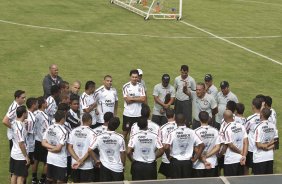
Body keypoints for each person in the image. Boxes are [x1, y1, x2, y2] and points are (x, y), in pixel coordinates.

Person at [164, 113, 204, 179]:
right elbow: (202, 145)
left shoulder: (172, 133)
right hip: (187, 162)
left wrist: (168, 156)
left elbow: (166, 147)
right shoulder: (192, 132)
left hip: (175, 162)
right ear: (185, 120)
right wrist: (195, 159)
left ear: (175, 121)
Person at [89, 117, 126, 181]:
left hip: (104, 167)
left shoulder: (99, 136)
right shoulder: (120, 137)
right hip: (117, 168)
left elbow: (90, 150)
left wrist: (96, 160)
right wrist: (123, 166)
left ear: (108, 123)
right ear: (117, 127)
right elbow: (122, 153)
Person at [68, 113, 96, 183]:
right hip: (87, 165)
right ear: (90, 121)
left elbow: (69, 147)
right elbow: (90, 149)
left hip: (75, 164)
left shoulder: (73, 131)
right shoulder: (92, 133)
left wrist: (77, 160)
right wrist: (81, 161)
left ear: (82, 120)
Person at [42, 110, 68, 183]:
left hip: (50, 159)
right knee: (60, 181)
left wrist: (50, 148)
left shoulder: (49, 128)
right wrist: (54, 148)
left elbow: (44, 143)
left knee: (50, 179)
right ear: (63, 119)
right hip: (60, 161)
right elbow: (58, 149)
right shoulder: (64, 131)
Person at [193, 111, 221, 177]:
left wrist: (203, 158)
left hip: (198, 165)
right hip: (212, 163)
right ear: (208, 118)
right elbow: (217, 147)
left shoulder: (195, 132)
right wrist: (207, 156)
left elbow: (195, 148)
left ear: (199, 119)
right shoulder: (215, 131)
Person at [222, 110, 248, 176]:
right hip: (241, 160)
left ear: (224, 117)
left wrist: (240, 152)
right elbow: (246, 142)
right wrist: (244, 155)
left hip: (230, 160)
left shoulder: (226, 128)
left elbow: (230, 145)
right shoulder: (241, 126)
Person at [253, 108, 278, 175]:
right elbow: (276, 142)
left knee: (259, 180)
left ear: (261, 114)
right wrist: (268, 147)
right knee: (268, 180)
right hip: (270, 157)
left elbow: (258, 145)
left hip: (259, 158)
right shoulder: (273, 126)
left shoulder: (258, 127)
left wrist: (266, 146)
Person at [122, 69, 146, 140]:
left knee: (136, 132)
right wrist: (138, 98)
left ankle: (133, 148)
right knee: (125, 132)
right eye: (133, 77)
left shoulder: (141, 86)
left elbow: (143, 99)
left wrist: (132, 98)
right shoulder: (125, 86)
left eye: (136, 77)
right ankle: (122, 147)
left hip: (138, 114)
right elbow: (127, 101)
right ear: (130, 77)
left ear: (138, 77)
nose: (134, 79)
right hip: (128, 114)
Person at [10, 106, 29, 184]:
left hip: (14, 153)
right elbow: (21, 143)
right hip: (20, 155)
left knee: (14, 175)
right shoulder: (20, 127)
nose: (28, 113)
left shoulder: (14, 122)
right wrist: (26, 156)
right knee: (20, 178)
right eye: (27, 112)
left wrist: (25, 125)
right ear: (23, 114)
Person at [33, 97, 49, 184]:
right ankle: (42, 180)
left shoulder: (34, 113)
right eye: (46, 102)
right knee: (46, 161)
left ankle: (33, 178)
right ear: (42, 104)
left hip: (35, 140)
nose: (47, 103)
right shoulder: (44, 116)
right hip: (43, 141)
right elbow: (47, 129)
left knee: (36, 160)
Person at [244, 97, 262, 174]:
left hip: (251, 147)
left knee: (246, 166)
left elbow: (244, 131)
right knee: (257, 169)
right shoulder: (264, 118)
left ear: (253, 106)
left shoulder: (250, 118)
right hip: (260, 147)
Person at [158, 108, 177, 179]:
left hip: (167, 158)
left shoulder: (162, 128)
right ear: (174, 115)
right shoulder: (179, 126)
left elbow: (161, 144)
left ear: (166, 116)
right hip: (178, 157)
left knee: (168, 178)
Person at [25, 97, 38, 178]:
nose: (38, 104)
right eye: (36, 103)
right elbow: (28, 132)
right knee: (26, 165)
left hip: (28, 144)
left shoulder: (27, 114)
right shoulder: (32, 118)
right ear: (33, 105)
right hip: (29, 145)